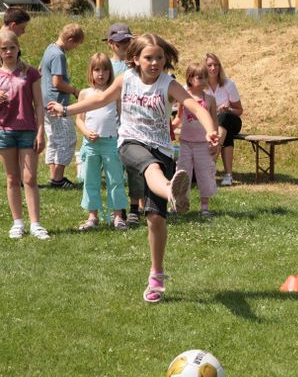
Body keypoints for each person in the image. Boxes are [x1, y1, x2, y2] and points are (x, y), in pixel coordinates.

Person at [48, 33, 219, 304]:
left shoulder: (169, 84)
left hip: (162, 150)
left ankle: (156, 275)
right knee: (150, 168)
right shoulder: (125, 79)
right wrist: (66, 110)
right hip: (130, 143)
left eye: (159, 58)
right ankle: (172, 192)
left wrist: (210, 130)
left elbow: (196, 108)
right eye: (149, 58)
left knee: (156, 219)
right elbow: (100, 100)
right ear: (136, 59)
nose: (155, 63)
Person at [0, 31, 49, 240]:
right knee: (12, 178)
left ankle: (35, 224)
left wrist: (41, 131)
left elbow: (39, 104)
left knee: (30, 178)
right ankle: (17, 223)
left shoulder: (30, 73)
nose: (8, 52)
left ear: (18, 48)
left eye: (12, 47)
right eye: (3, 48)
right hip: (4, 131)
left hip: (28, 129)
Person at [75, 53, 128, 231]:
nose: (101, 73)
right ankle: (92, 216)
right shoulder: (85, 93)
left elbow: (122, 116)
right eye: (97, 69)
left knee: (115, 180)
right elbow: (79, 119)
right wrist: (86, 132)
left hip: (111, 143)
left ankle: (118, 216)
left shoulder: (114, 93)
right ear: (90, 72)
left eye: (105, 69)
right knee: (91, 180)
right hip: (91, 145)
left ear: (110, 72)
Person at [104, 22, 144, 227]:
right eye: (121, 42)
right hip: (111, 126)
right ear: (111, 43)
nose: (125, 45)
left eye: (128, 41)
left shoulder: (136, 65)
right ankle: (118, 209)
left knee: (135, 168)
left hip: (133, 124)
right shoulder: (106, 66)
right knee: (115, 172)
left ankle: (136, 207)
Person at [173, 61, 218, 217]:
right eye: (200, 77)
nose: (204, 80)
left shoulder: (210, 99)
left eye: (206, 77)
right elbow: (179, 118)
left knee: (205, 173)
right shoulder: (184, 97)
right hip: (185, 143)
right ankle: (179, 203)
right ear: (190, 78)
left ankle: (204, 206)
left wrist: (215, 141)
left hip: (203, 145)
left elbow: (214, 121)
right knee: (182, 174)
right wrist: (171, 127)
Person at [41, 23, 84, 188]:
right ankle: (58, 179)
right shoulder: (58, 55)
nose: (75, 48)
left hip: (45, 103)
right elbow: (57, 82)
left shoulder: (49, 48)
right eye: (76, 44)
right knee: (67, 139)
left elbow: (40, 70)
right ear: (71, 40)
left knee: (54, 139)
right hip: (57, 103)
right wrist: (74, 90)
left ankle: (54, 176)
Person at [205, 53, 243, 187]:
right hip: (214, 126)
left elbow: (239, 110)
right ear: (204, 67)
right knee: (225, 132)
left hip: (231, 119)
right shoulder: (200, 85)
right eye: (209, 65)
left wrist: (228, 109)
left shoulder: (228, 84)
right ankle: (228, 175)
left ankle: (211, 162)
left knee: (224, 117)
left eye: (216, 65)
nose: (213, 68)